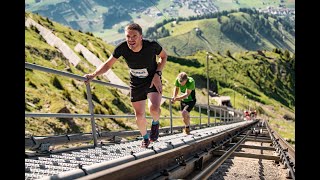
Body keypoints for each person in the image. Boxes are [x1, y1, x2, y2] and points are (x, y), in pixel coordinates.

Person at [83, 23, 167, 148]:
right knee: (139, 115)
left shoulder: (151, 45)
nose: (131, 39)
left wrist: (157, 74)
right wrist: (93, 74)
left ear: (141, 37)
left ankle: (155, 123)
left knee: (154, 109)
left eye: (134, 36)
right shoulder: (122, 48)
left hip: (152, 79)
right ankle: (145, 138)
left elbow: (164, 57)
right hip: (136, 83)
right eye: (128, 36)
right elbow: (107, 65)